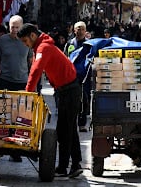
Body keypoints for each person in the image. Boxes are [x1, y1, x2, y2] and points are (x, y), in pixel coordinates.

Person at [18, 24, 83, 178]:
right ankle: (71, 165)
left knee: (66, 129)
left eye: (26, 41)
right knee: (66, 128)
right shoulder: (41, 47)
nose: (25, 44)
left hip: (70, 90)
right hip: (63, 90)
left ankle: (69, 166)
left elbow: (36, 70)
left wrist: (28, 92)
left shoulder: (43, 48)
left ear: (33, 36)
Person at [0, 15, 31, 91]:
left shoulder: (28, 40)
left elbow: (31, 62)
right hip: (5, 80)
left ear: (22, 27)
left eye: (17, 27)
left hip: (22, 82)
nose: (14, 30)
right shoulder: (2, 40)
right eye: (12, 27)